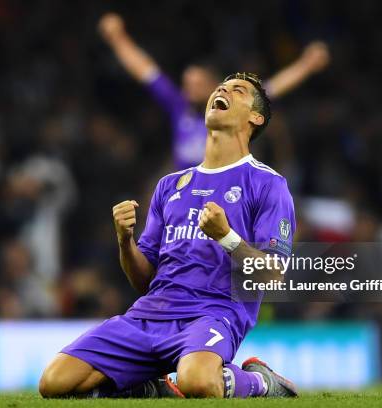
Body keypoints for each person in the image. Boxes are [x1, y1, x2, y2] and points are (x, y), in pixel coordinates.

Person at [39, 72, 297, 399]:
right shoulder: (171, 185)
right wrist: (124, 240)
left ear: (255, 118)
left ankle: (262, 382)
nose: (222, 89)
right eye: (222, 86)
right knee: (55, 383)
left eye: (238, 90)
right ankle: (148, 387)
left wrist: (227, 237)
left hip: (213, 313)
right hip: (151, 313)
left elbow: (273, 275)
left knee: (199, 384)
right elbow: (144, 279)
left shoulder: (267, 184)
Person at [98, 12, 329, 169]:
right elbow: (145, 70)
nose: (188, 89)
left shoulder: (236, 108)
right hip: (187, 205)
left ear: (214, 86)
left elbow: (273, 87)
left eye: (196, 84)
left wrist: (307, 65)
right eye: (186, 83)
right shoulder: (180, 107)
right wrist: (118, 38)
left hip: (225, 203)